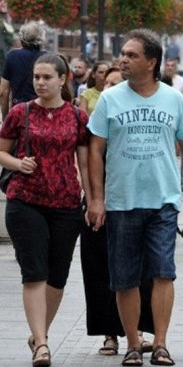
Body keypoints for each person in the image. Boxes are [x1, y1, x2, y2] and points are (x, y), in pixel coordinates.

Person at [87, 29, 183, 367]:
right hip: (121, 201)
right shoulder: (110, 99)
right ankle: (134, 344)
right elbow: (95, 150)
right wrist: (96, 198)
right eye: (123, 53)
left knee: (164, 272)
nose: (124, 58)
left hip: (163, 200)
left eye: (132, 54)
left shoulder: (173, 99)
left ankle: (161, 343)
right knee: (124, 277)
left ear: (151, 62)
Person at [0, 53, 90, 367]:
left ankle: (40, 333)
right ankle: (41, 342)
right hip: (25, 200)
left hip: (66, 202)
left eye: (47, 77)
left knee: (58, 276)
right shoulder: (19, 112)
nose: (40, 82)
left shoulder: (77, 117)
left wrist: (92, 200)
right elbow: (1, 152)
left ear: (63, 79)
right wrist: (17, 163)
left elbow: (85, 162)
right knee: (34, 272)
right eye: (36, 77)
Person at [80, 66, 155, 358]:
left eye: (116, 84)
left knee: (140, 269)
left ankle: (139, 331)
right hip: (100, 202)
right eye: (105, 83)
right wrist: (92, 199)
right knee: (100, 268)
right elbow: (85, 163)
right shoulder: (92, 126)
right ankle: (109, 333)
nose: (109, 89)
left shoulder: (133, 124)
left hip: (135, 202)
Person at [0, 21, 46, 119]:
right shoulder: (48, 58)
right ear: (42, 39)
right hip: (42, 113)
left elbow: (4, 92)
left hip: (18, 113)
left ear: (21, 38)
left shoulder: (12, 56)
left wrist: (6, 118)